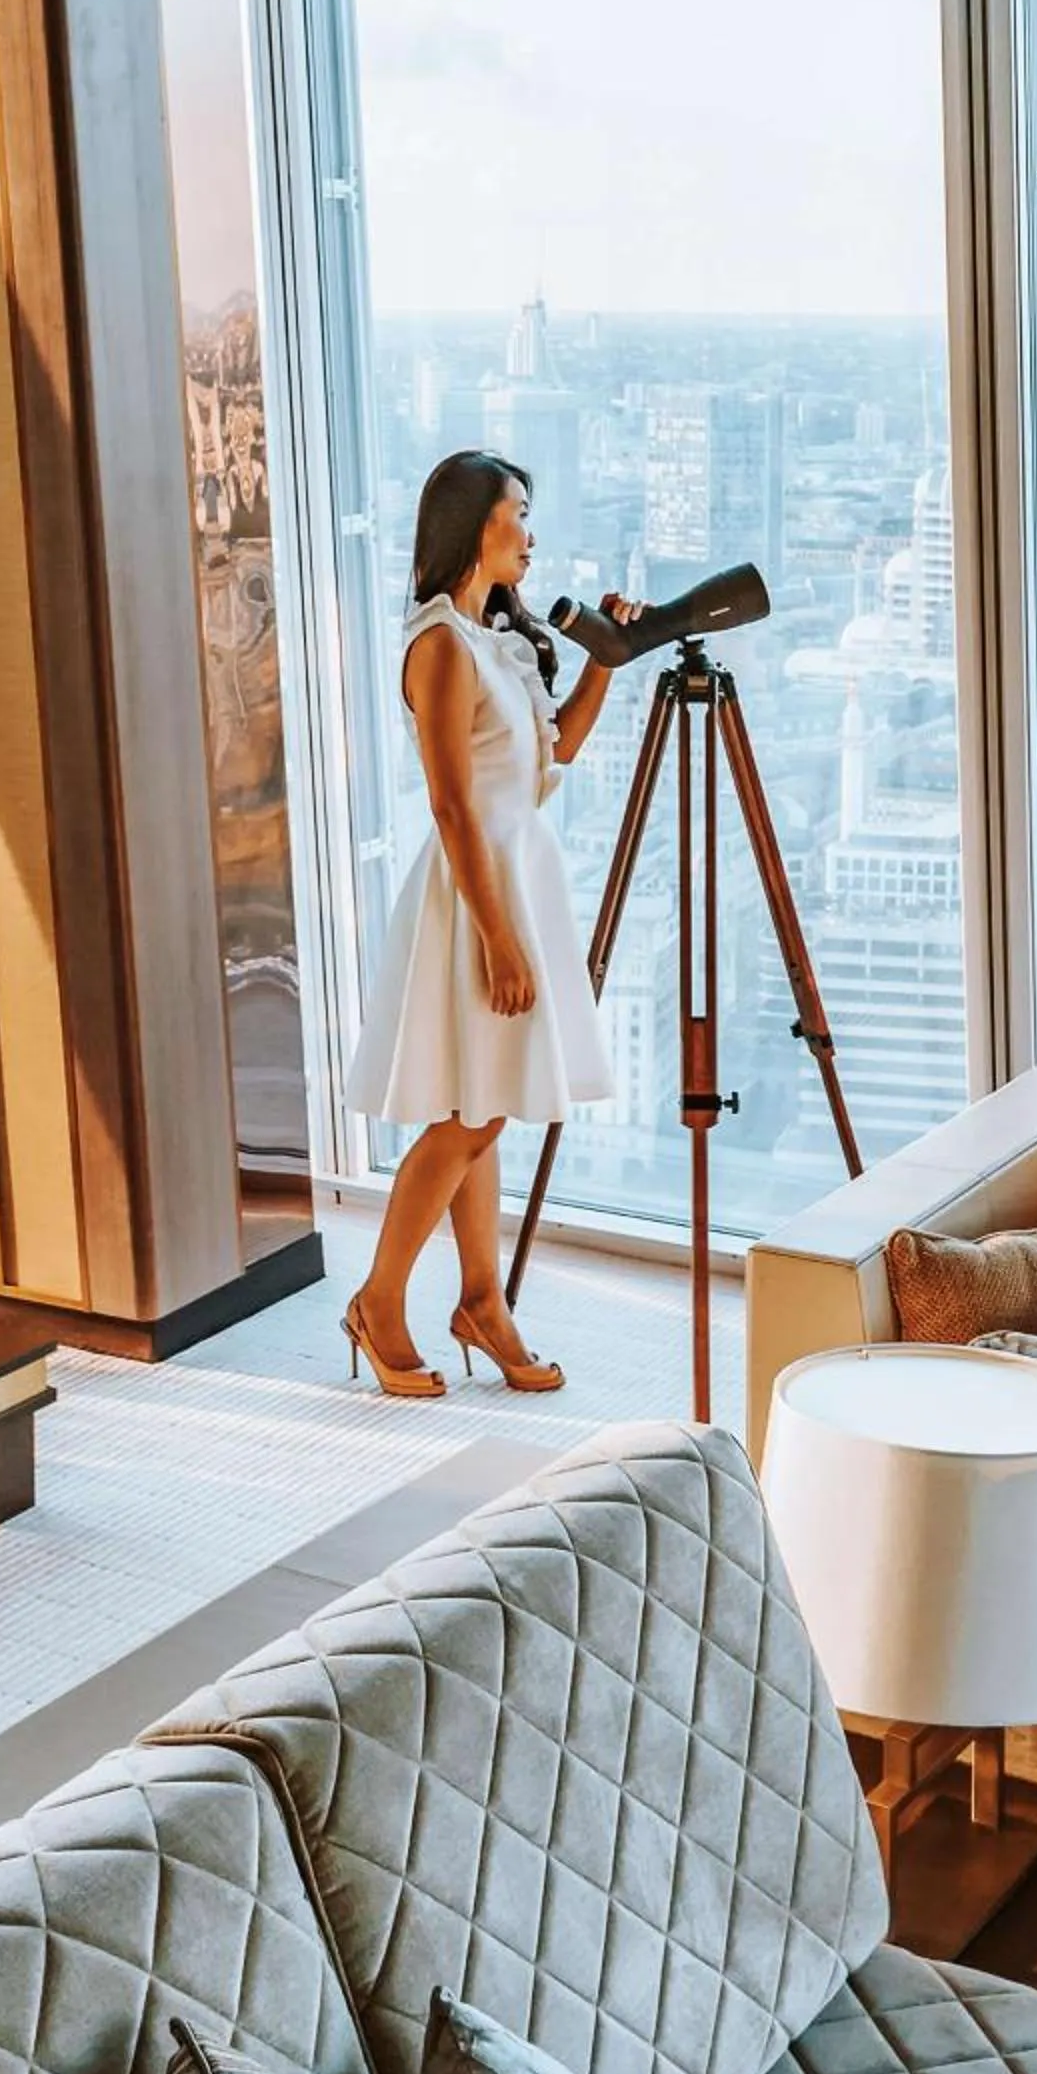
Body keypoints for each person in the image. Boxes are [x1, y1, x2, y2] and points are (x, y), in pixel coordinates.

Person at [341, 449, 641, 1397]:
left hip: (517, 877)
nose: (532, 531)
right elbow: (450, 804)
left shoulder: (495, 642)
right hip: (476, 895)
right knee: (473, 1113)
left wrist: (603, 664)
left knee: (486, 1103)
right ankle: (379, 1301)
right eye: (519, 511)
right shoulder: (437, 645)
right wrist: (499, 938)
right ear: (476, 523)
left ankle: (480, 1301)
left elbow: (554, 759)